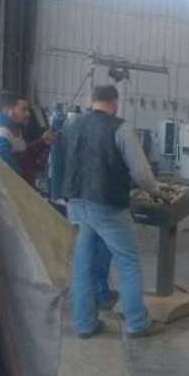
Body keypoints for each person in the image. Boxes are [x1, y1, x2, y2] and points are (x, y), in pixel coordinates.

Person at [62, 85, 165, 339]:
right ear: (115, 103)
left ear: (92, 101)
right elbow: (141, 173)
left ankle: (84, 324)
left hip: (76, 202)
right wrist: (156, 191)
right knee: (128, 263)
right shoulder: (120, 128)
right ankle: (137, 323)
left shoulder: (73, 125)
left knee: (82, 265)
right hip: (107, 205)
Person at [0, 91, 55, 181]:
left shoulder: (11, 127)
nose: (28, 113)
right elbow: (3, 163)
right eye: (23, 109)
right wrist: (22, 180)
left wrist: (42, 142)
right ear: (7, 111)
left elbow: (22, 155)